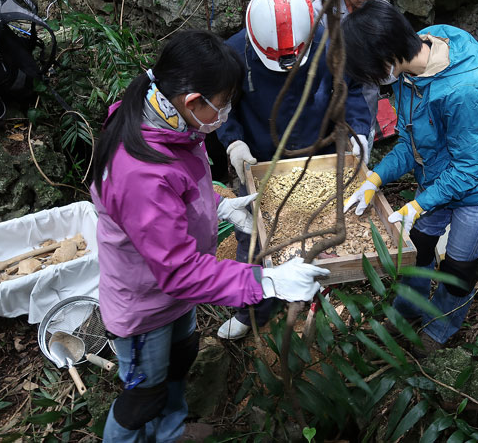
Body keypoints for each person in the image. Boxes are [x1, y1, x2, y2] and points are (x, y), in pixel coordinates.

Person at [90, 29, 330, 442]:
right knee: (143, 395)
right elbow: (178, 270)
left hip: (175, 298)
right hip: (145, 304)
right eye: (223, 104)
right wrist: (267, 280)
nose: (227, 111)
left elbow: (171, 211)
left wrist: (217, 210)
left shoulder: (175, 125)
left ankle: (170, 431)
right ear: (192, 102)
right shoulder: (140, 170)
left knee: (180, 360)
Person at [342, 0, 478, 356]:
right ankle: (405, 312)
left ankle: (438, 330)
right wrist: (375, 178)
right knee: (417, 249)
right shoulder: (415, 61)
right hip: (440, 174)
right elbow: (412, 142)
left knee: (458, 269)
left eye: (373, 72)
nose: (377, 83)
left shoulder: (462, 94)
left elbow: (470, 170)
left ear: (388, 57)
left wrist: (420, 204)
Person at [215, 0, 372, 340]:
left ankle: (320, 298)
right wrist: (233, 142)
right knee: (252, 238)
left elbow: (352, 93)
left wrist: (359, 133)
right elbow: (221, 108)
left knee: (321, 230)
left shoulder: (331, 44)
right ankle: (252, 310)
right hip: (259, 159)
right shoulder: (235, 53)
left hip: (319, 152)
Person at [312, 0, 393, 163]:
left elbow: (391, 62)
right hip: (325, 108)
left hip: (363, 107)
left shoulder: (381, 11)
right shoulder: (321, 14)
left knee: (358, 165)